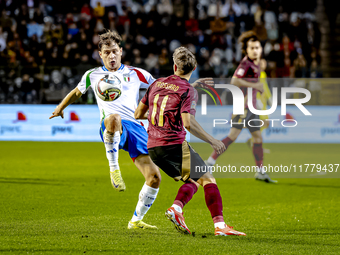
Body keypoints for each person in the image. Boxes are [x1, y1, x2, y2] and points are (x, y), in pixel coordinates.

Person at [49, 29, 214, 229]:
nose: (111, 56)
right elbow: (76, 92)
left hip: (137, 127)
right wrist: (60, 108)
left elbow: (166, 86)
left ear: (121, 51)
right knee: (114, 119)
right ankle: (114, 168)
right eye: (107, 52)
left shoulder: (136, 73)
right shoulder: (93, 75)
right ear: (100, 54)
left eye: (114, 51)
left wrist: (191, 85)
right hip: (112, 125)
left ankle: (135, 221)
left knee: (154, 178)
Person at [135, 46, 246, 236]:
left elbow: (138, 113)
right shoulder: (187, 90)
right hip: (173, 144)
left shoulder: (157, 84)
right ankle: (220, 226)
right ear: (193, 69)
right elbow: (188, 122)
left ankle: (177, 208)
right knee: (208, 178)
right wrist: (212, 140)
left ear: (174, 65)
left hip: (153, 146)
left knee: (195, 180)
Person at [205, 31, 277, 183]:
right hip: (243, 106)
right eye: (252, 47)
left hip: (251, 107)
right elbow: (234, 81)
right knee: (232, 137)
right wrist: (255, 85)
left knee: (257, 137)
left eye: (257, 47)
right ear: (247, 49)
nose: (256, 50)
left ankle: (260, 171)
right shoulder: (246, 64)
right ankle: (209, 163)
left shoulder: (255, 64)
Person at [246, 58, 272, 154]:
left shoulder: (263, 74)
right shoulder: (256, 74)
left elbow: (265, 87)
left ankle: (253, 141)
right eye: (262, 63)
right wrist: (257, 100)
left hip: (263, 101)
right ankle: (255, 142)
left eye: (265, 63)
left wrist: (269, 98)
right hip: (258, 101)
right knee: (264, 122)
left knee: (265, 123)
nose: (264, 65)